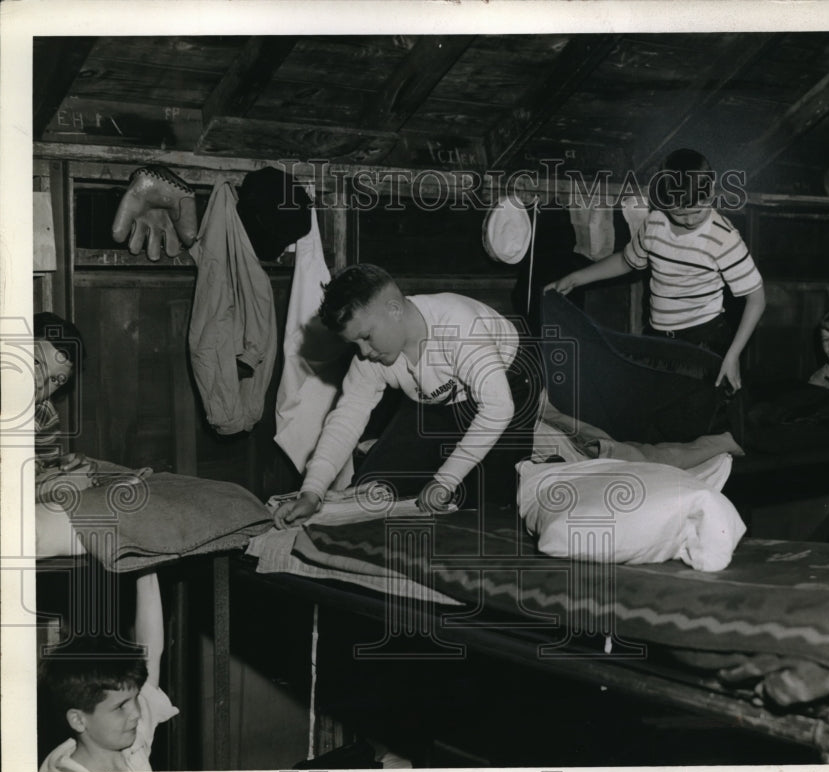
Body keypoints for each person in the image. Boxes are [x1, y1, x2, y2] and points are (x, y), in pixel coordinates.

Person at [272, 263, 539, 527]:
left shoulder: (459, 326)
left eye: (366, 337)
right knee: (374, 488)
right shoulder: (372, 356)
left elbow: (498, 408)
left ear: (394, 310)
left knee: (488, 506)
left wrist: (446, 479)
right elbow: (347, 417)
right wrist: (312, 491)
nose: (363, 352)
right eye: (355, 344)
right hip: (439, 398)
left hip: (509, 384)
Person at [545, 148, 766, 391]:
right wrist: (575, 278)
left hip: (703, 341)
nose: (690, 220)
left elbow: (756, 299)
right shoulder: (655, 222)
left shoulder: (724, 239)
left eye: (697, 211)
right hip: (658, 336)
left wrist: (732, 355)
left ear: (711, 191)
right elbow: (625, 261)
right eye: (680, 214)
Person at [39, 572, 179, 772]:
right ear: (78, 720)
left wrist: (144, 565)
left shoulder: (129, 744)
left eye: (136, 698)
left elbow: (151, 653)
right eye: (121, 706)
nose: (137, 713)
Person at [33, 312, 85, 474]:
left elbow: (46, 461)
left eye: (56, 380)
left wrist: (60, 463)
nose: (41, 383)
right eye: (36, 363)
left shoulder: (44, 412)